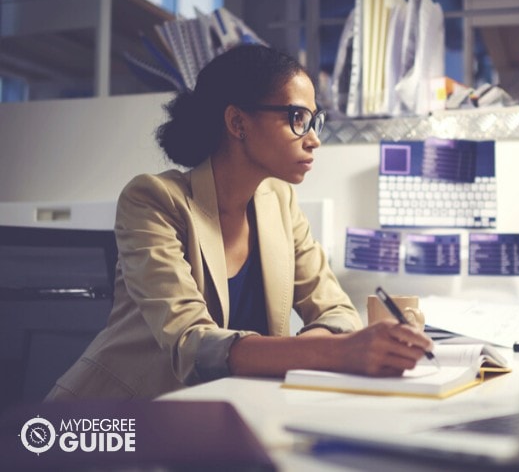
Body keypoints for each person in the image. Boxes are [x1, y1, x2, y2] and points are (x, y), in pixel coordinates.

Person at [47, 44, 433, 400]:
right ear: (237, 123)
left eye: (316, 120)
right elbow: (192, 344)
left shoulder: (279, 201)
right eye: (298, 117)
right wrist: (333, 350)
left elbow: (336, 310)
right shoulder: (153, 200)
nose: (314, 138)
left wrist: (322, 348)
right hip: (117, 420)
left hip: (220, 415)